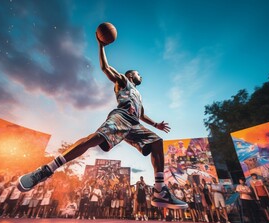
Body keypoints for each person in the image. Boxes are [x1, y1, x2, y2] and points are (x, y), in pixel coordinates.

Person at [17, 31, 187, 210]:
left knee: (157, 142)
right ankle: (46, 170)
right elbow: (106, 68)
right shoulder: (123, 81)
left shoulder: (138, 94)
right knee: (94, 139)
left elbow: (141, 113)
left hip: (135, 124)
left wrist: (155, 125)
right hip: (121, 117)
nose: (141, 76)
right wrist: (101, 46)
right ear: (130, 76)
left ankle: (160, 191)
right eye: (138, 74)